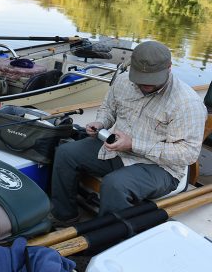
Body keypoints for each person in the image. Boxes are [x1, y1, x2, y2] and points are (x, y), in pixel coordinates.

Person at [50, 40, 207, 224]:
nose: (144, 84)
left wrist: (133, 144)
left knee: (115, 185)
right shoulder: (124, 81)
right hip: (119, 150)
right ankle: (65, 217)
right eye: (139, 78)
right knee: (66, 153)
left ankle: (107, 242)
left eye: (151, 80)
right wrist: (100, 123)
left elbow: (188, 154)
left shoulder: (187, 103)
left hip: (161, 168)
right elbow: (108, 108)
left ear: (170, 67)